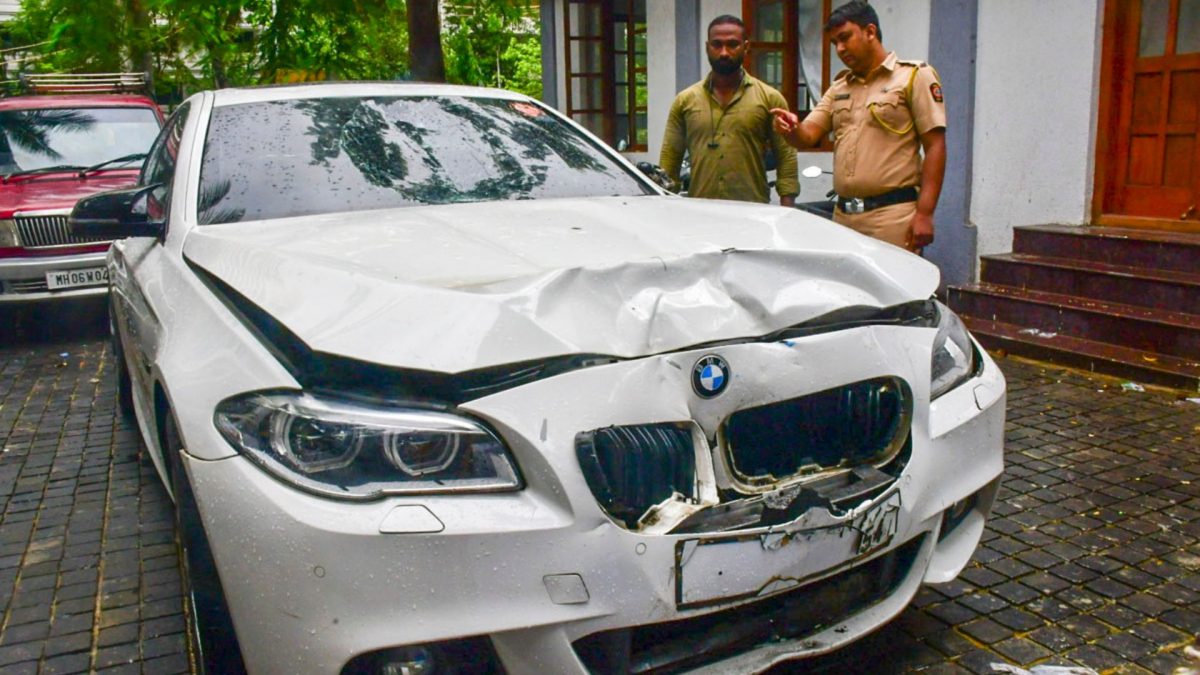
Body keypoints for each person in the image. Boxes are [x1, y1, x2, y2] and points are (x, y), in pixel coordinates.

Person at [771, 1, 945, 251]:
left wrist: (925, 213)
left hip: (892, 216)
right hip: (844, 217)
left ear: (870, 32)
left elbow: (935, 145)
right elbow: (808, 135)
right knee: (843, 290)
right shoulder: (840, 87)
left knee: (896, 290)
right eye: (834, 44)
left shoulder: (913, 77)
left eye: (845, 38)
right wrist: (792, 129)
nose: (840, 49)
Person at [660, 15, 798, 206]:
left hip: (753, 211)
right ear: (707, 47)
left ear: (746, 47)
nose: (724, 52)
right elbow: (669, 162)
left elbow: (786, 159)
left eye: (732, 44)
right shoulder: (685, 101)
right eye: (717, 45)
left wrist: (787, 212)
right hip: (700, 211)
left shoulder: (770, 99)